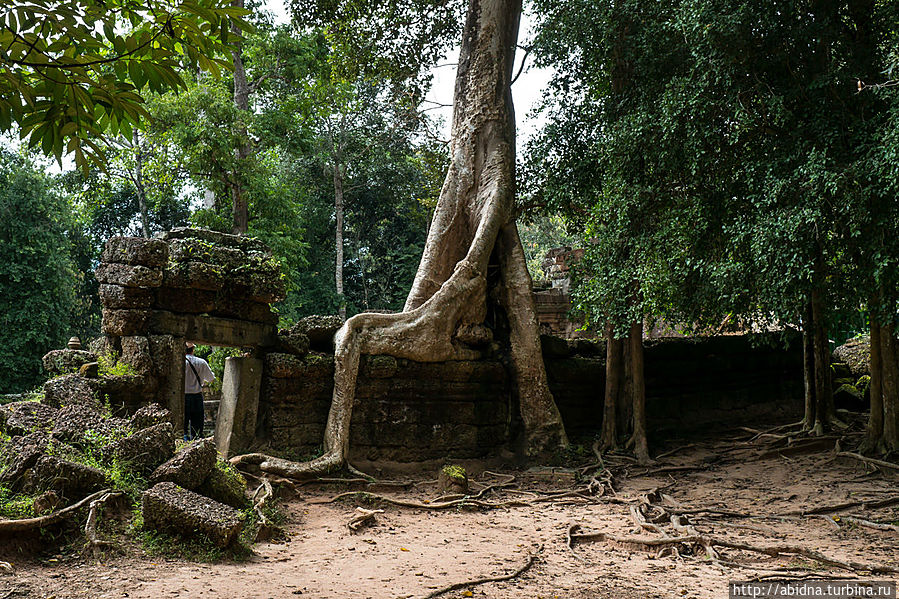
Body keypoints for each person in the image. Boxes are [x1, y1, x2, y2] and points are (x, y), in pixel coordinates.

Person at [184, 342, 215, 440]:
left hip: (183, 397)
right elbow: (211, 379)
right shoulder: (201, 362)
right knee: (197, 427)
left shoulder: (179, 362)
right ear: (193, 349)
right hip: (197, 396)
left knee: (182, 426)